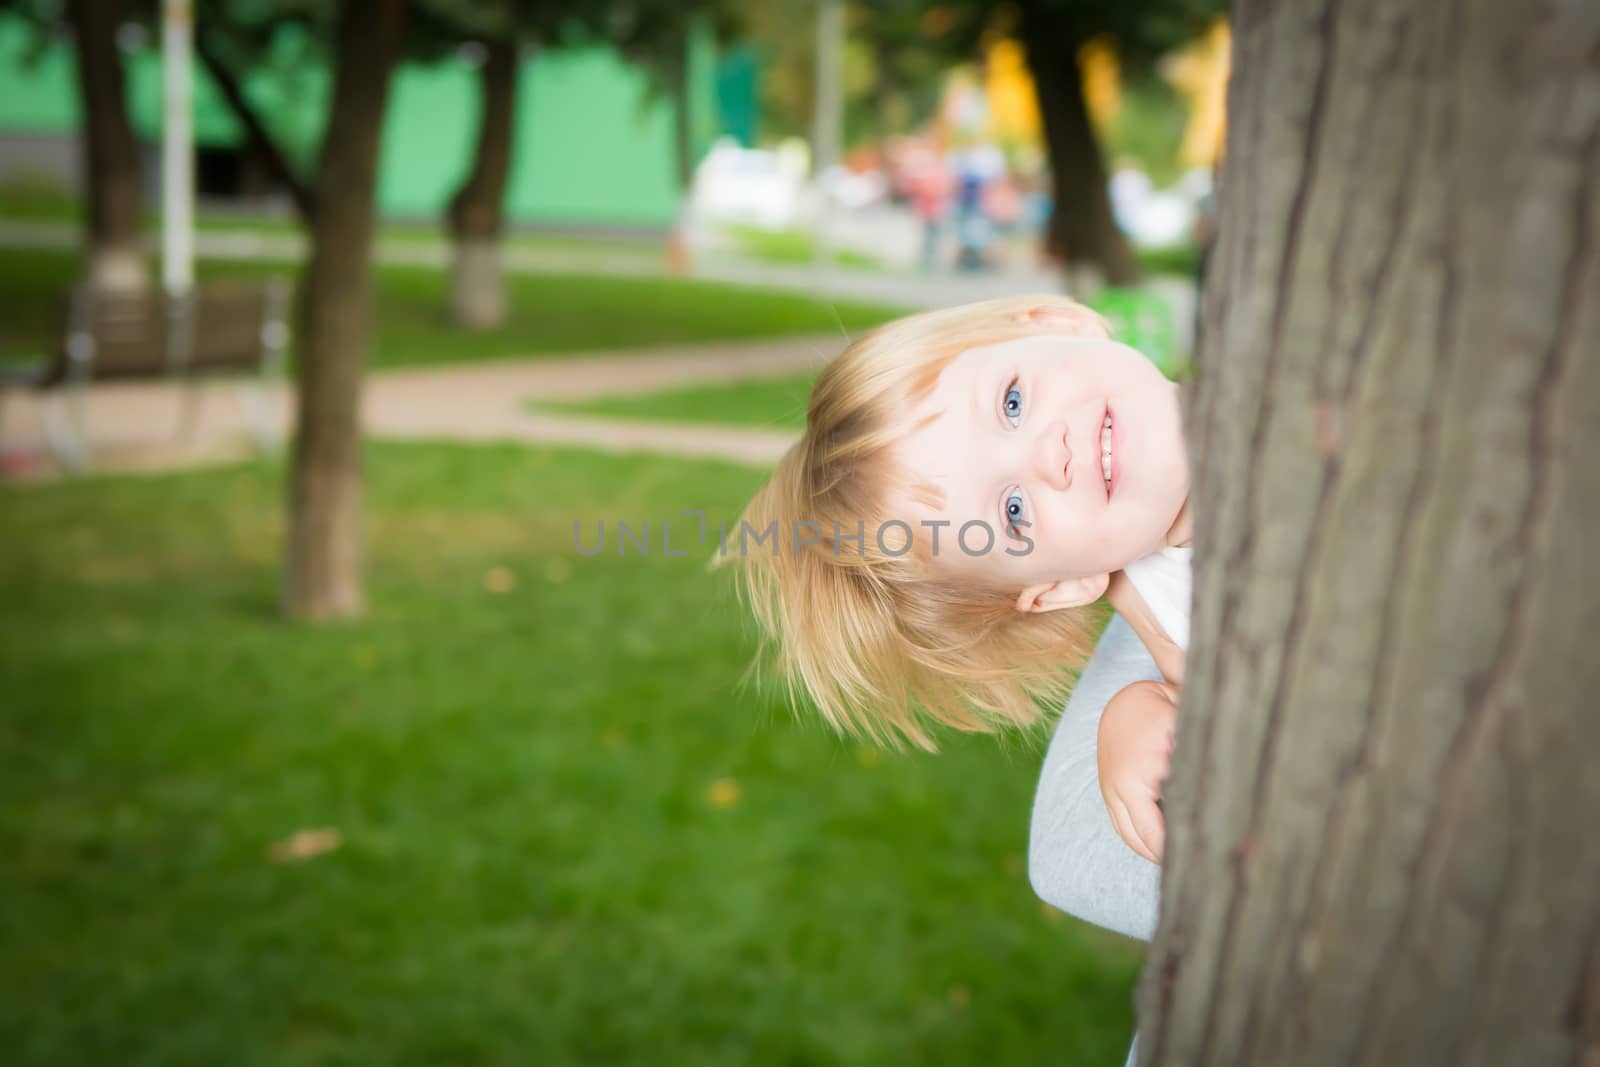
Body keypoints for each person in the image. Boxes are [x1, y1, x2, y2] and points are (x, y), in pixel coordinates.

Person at [729, 294, 1190, 863]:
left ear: (1057, 324)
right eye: (1014, 511)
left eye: (1013, 402)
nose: (1051, 454)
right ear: (1064, 584)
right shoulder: (1187, 620)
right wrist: (1136, 715)